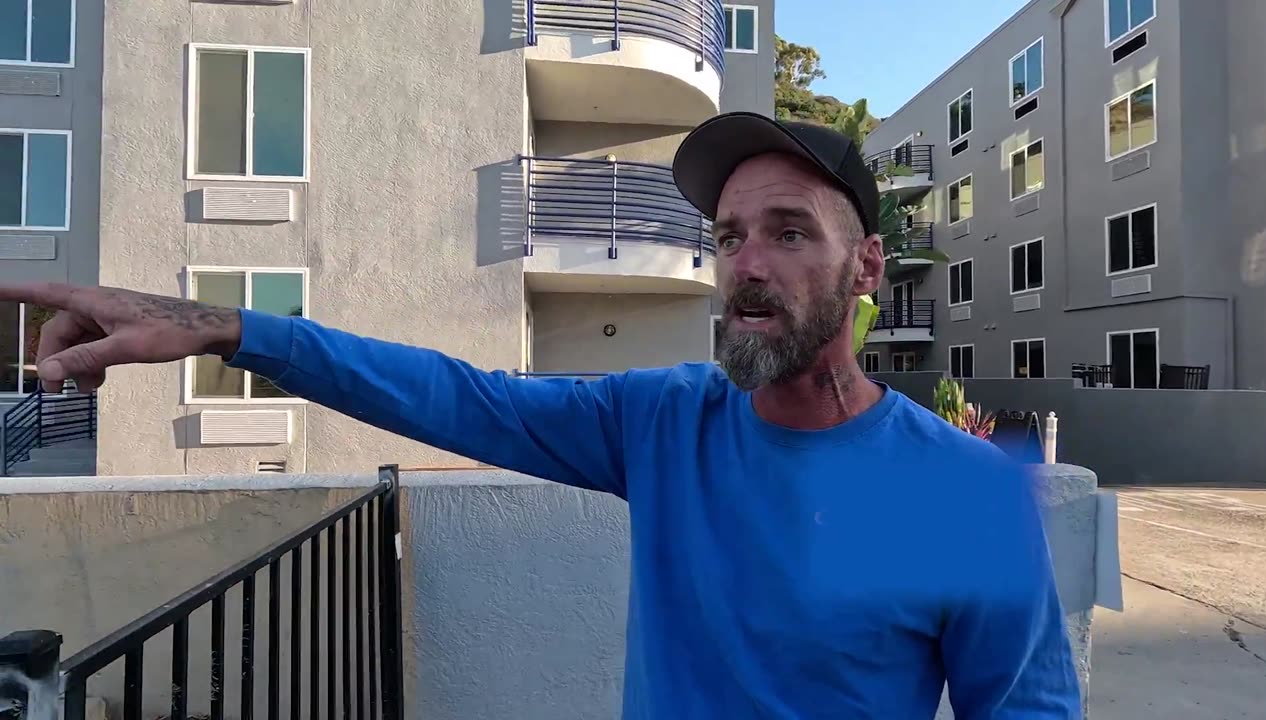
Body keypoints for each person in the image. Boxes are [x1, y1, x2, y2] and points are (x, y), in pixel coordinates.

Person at [0, 112, 1081, 718]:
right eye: (725, 236)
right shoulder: (663, 424)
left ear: (867, 269)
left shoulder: (968, 495)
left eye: (789, 232)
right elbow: (453, 395)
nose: (743, 266)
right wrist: (225, 329)